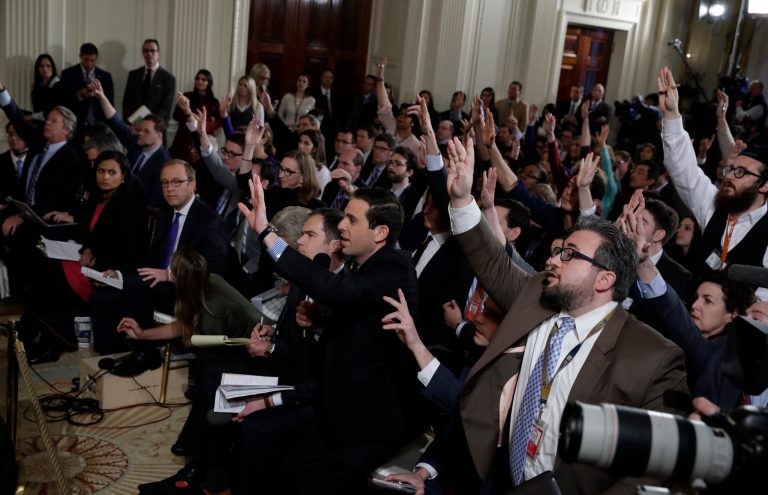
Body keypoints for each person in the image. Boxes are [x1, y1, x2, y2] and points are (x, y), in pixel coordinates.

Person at [445, 136, 688, 492]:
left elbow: (660, 466)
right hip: (500, 480)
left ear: (605, 279)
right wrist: (462, 199)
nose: (552, 259)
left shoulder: (653, 357)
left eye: (570, 255)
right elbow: (493, 263)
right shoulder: (538, 297)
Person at [237, 181, 423, 493]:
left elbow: (332, 288)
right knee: (289, 467)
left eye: (352, 220)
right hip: (337, 405)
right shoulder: (365, 266)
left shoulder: (394, 266)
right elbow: (359, 312)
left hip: (369, 420)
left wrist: (268, 234)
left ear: (380, 233)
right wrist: (320, 319)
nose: (342, 226)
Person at [89, 159, 228, 363]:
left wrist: (170, 275)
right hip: (158, 283)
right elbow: (151, 259)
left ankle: (144, 353)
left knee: (139, 286)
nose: (169, 189)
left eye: (176, 182)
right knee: (103, 295)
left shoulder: (209, 221)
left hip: (188, 290)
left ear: (192, 184)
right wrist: (119, 274)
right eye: (165, 183)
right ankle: (109, 357)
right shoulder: (165, 213)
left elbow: (215, 271)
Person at [20, 151, 147, 363]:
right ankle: (30, 335)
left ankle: (48, 341)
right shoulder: (99, 198)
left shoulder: (127, 203)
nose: (105, 177)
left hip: (108, 269)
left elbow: (127, 249)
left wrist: (94, 254)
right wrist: (88, 248)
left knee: (54, 276)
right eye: (101, 171)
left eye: (111, 172)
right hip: (92, 260)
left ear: (123, 175)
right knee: (45, 267)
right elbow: (91, 235)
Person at [658, 66, 768, 298]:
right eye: (730, 169)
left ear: (764, 185)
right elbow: (685, 171)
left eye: (740, 172)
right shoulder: (715, 206)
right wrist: (671, 115)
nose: (728, 176)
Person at [628, 208, 755, 410]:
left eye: (708, 301)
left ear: (731, 315)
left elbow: (677, 318)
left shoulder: (720, 355)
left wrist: (644, 263)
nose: (695, 305)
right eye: (696, 298)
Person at [0, 79, 84, 295]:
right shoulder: (39, 143)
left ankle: (24, 300)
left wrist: (23, 216)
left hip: (44, 221)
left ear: (66, 129)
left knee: (23, 249)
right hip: (23, 211)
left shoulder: (70, 159)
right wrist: (3, 93)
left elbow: (58, 199)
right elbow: (17, 118)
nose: (46, 122)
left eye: (53, 121)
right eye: (47, 119)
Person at [91, 77, 169, 207]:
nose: (140, 133)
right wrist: (102, 98)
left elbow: (155, 200)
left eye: (146, 131)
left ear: (159, 135)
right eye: (139, 130)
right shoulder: (136, 143)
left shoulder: (164, 162)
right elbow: (116, 122)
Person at [58, 42, 114, 141]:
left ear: (97, 58)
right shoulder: (68, 74)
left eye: (92, 60)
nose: (89, 64)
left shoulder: (106, 77)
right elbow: (63, 101)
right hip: (75, 123)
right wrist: (79, 95)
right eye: (86, 60)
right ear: (80, 56)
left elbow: (110, 103)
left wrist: (99, 96)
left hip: (99, 125)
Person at [169, 70, 220, 164]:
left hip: (202, 136)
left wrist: (205, 125)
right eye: (197, 78)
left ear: (209, 82)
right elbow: (176, 115)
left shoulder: (213, 101)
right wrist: (188, 114)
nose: (200, 81)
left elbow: (219, 122)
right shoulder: (187, 96)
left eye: (203, 79)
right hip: (184, 136)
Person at [122, 39, 176, 123]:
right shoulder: (133, 75)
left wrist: (146, 122)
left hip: (155, 127)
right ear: (143, 53)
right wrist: (130, 122)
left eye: (152, 51)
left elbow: (166, 108)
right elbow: (127, 102)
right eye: (146, 51)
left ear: (158, 54)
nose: (149, 54)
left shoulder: (168, 78)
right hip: (134, 126)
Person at [29, 53, 61, 122]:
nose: (45, 69)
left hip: (52, 122)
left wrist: (32, 117)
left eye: (48, 66)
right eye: (41, 66)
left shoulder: (58, 85)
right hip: (39, 121)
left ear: (52, 68)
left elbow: (51, 111)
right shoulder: (38, 85)